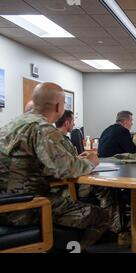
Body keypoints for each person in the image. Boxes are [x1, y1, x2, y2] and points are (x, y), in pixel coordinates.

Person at [0, 82, 109, 249]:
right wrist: (91, 161)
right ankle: (74, 250)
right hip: (27, 208)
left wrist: (72, 160)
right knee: (102, 215)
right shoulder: (42, 128)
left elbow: (25, 163)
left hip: (6, 204)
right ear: (58, 106)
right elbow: (68, 170)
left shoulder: (11, 124)